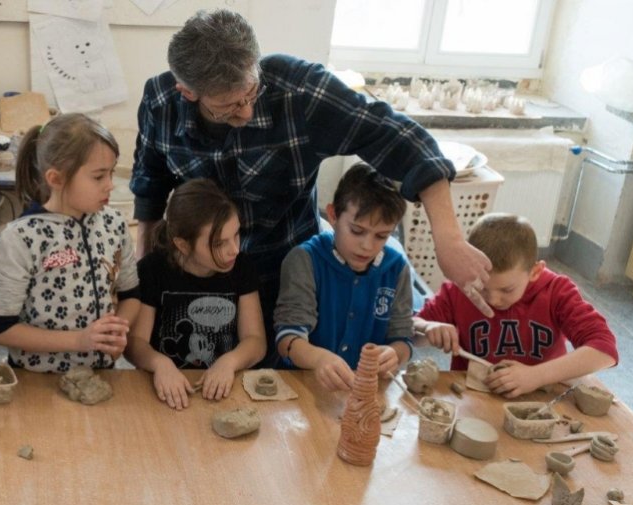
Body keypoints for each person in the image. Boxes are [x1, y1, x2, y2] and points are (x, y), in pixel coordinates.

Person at [130, 8, 493, 366]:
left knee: (282, 377)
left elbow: (406, 143)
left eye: (250, 93)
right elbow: (150, 183)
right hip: (200, 271)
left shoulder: (300, 91)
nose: (245, 113)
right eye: (227, 107)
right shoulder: (161, 101)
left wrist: (450, 239)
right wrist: (144, 270)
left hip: (286, 271)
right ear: (188, 92)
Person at [0, 113, 140, 373]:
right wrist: (78, 341)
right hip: (36, 382)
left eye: (111, 173)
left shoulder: (114, 224)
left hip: (100, 374)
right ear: (55, 179)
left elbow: (132, 295)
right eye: (99, 176)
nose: (110, 185)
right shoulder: (22, 238)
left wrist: (115, 333)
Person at [414, 213, 618, 397]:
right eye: (482, 288)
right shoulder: (460, 288)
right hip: (474, 397)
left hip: (541, 397)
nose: (493, 300)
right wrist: (427, 328)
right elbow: (408, 332)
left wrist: (535, 376)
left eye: (506, 290)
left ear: (535, 272)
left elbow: (605, 350)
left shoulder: (556, 292)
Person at [126, 179, 266, 410]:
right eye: (219, 243)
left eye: (236, 234)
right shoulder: (152, 269)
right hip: (164, 389)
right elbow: (134, 343)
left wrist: (230, 362)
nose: (234, 249)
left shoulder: (242, 267)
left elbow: (256, 341)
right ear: (182, 244)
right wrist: (160, 364)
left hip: (223, 390)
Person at [273, 162, 413, 391]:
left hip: (366, 390)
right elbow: (287, 339)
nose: (367, 246)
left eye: (381, 236)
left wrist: (395, 354)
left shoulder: (396, 268)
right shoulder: (305, 260)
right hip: (307, 386)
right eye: (357, 231)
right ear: (333, 215)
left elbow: (403, 338)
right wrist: (319, 359)